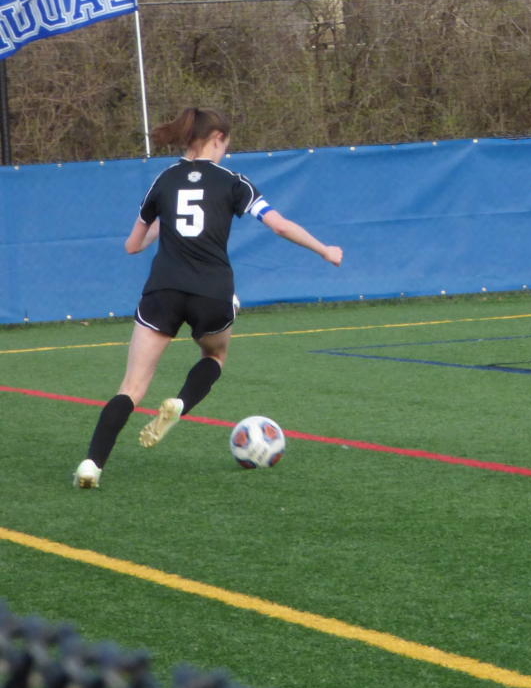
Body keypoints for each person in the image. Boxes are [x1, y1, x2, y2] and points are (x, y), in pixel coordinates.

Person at [73, 107, 344, 489]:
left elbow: (133, 246)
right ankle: (182, 403)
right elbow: (279, 225)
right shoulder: (234, 182)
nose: (225, 151)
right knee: (214, 355)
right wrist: (324, 249)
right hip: (213, 292)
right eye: (225, 144)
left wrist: (161, 226)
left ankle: (91, 464)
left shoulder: (163, 180)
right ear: (216, 137)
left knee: (131, 388)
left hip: (163, 289)